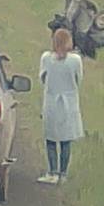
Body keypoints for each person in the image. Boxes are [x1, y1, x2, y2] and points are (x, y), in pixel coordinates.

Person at [37, 28, 84, 184]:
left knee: (51, 139)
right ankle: (63, 174)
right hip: (69, 103)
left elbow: (42, 78)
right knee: (65, 140)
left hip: (51, 101)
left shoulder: (46, 58)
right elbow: (78, 79)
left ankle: (52, 172)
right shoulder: (75, 60)